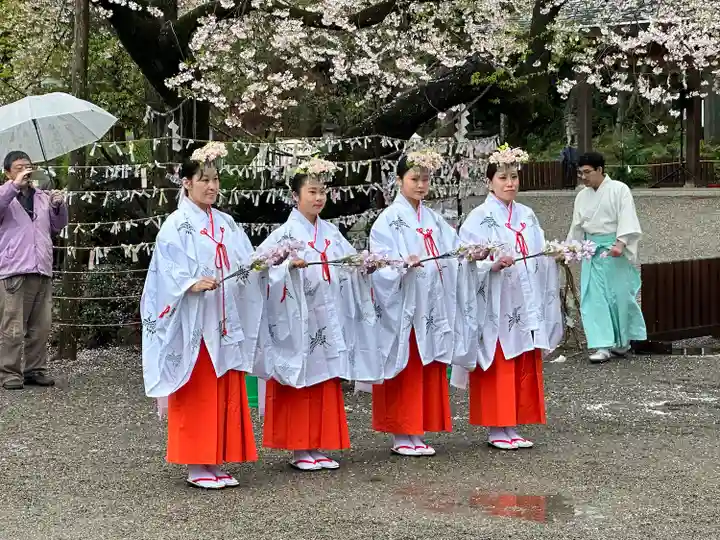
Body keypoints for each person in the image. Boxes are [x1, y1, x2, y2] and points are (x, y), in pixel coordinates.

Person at [140, 153, 264, 489]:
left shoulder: (225, 222)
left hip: (223, 316)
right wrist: (188, 283)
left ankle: (215, 458)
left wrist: (262, 265)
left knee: (223, 386)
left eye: (215, 180)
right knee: (198, 387)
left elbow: (244, 259)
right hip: (194, 318)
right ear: (187, 182)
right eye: (204, 180)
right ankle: (196, 462)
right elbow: (165, 271)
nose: (211, 186)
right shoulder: (176, 224)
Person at [256, 158, 381, 471]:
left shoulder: (330, 232)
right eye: (312, 191)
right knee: (300, 377)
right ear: (296, 197)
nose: (318, 198)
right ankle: (300, 448)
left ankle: (318, 444)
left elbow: (346, 262)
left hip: (326, 316)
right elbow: (261, 266)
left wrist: (362, 265)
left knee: (325, 377)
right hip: (297, 318)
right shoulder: (284, 235)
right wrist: (286, 267)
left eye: (322, 191)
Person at [366, 150, 480, 457]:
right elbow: (379, 262)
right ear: (399, 181)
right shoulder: (387, 220)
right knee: (407, 364)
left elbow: (454, 250)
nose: (420, 185)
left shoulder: (433, 219)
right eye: (414, 179)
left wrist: (470, 255)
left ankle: (418, 430)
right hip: (404, 304)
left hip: (431, 304)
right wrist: (401, 265)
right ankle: (401, 432)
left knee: (428, 363)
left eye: (425, 179)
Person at [451, 145, 563, 450]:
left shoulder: (527, 214)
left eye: (514, 177)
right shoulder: (479, 217)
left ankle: (512, 424)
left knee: (522, 358)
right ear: (490, 182)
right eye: (502, 177)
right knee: (498, 358)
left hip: (523, 299)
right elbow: (464, 260)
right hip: (495, 301)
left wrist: (551, 257)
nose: (509, 183)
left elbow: (537, 251)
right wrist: (491, 264)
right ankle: (495, 427)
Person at [567, 152, 647, 363]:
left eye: (587, 172)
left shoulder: (619, 189)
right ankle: (601, 345)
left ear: (600, 170)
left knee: (619, 297)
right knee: (593, 299)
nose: (583, 177)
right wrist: (570, 249)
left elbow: (627, 218)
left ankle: (622, 342)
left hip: (613, 248)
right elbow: (576, 226)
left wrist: (621, 243)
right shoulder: (581, 196)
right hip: (591, 250)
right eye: (580, 173)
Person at [0, 151, 67, 390]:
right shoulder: (3, 195)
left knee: (41, 326)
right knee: (13, 327)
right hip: (14, 269)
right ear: (7, 172)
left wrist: (58, 206)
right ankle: (9, 373)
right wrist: (13, 187)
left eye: (28, 167)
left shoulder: (42, 196)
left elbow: (57, 227)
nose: (25, 171)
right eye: (18, 168)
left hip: (42, 266)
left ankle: (35, 369)